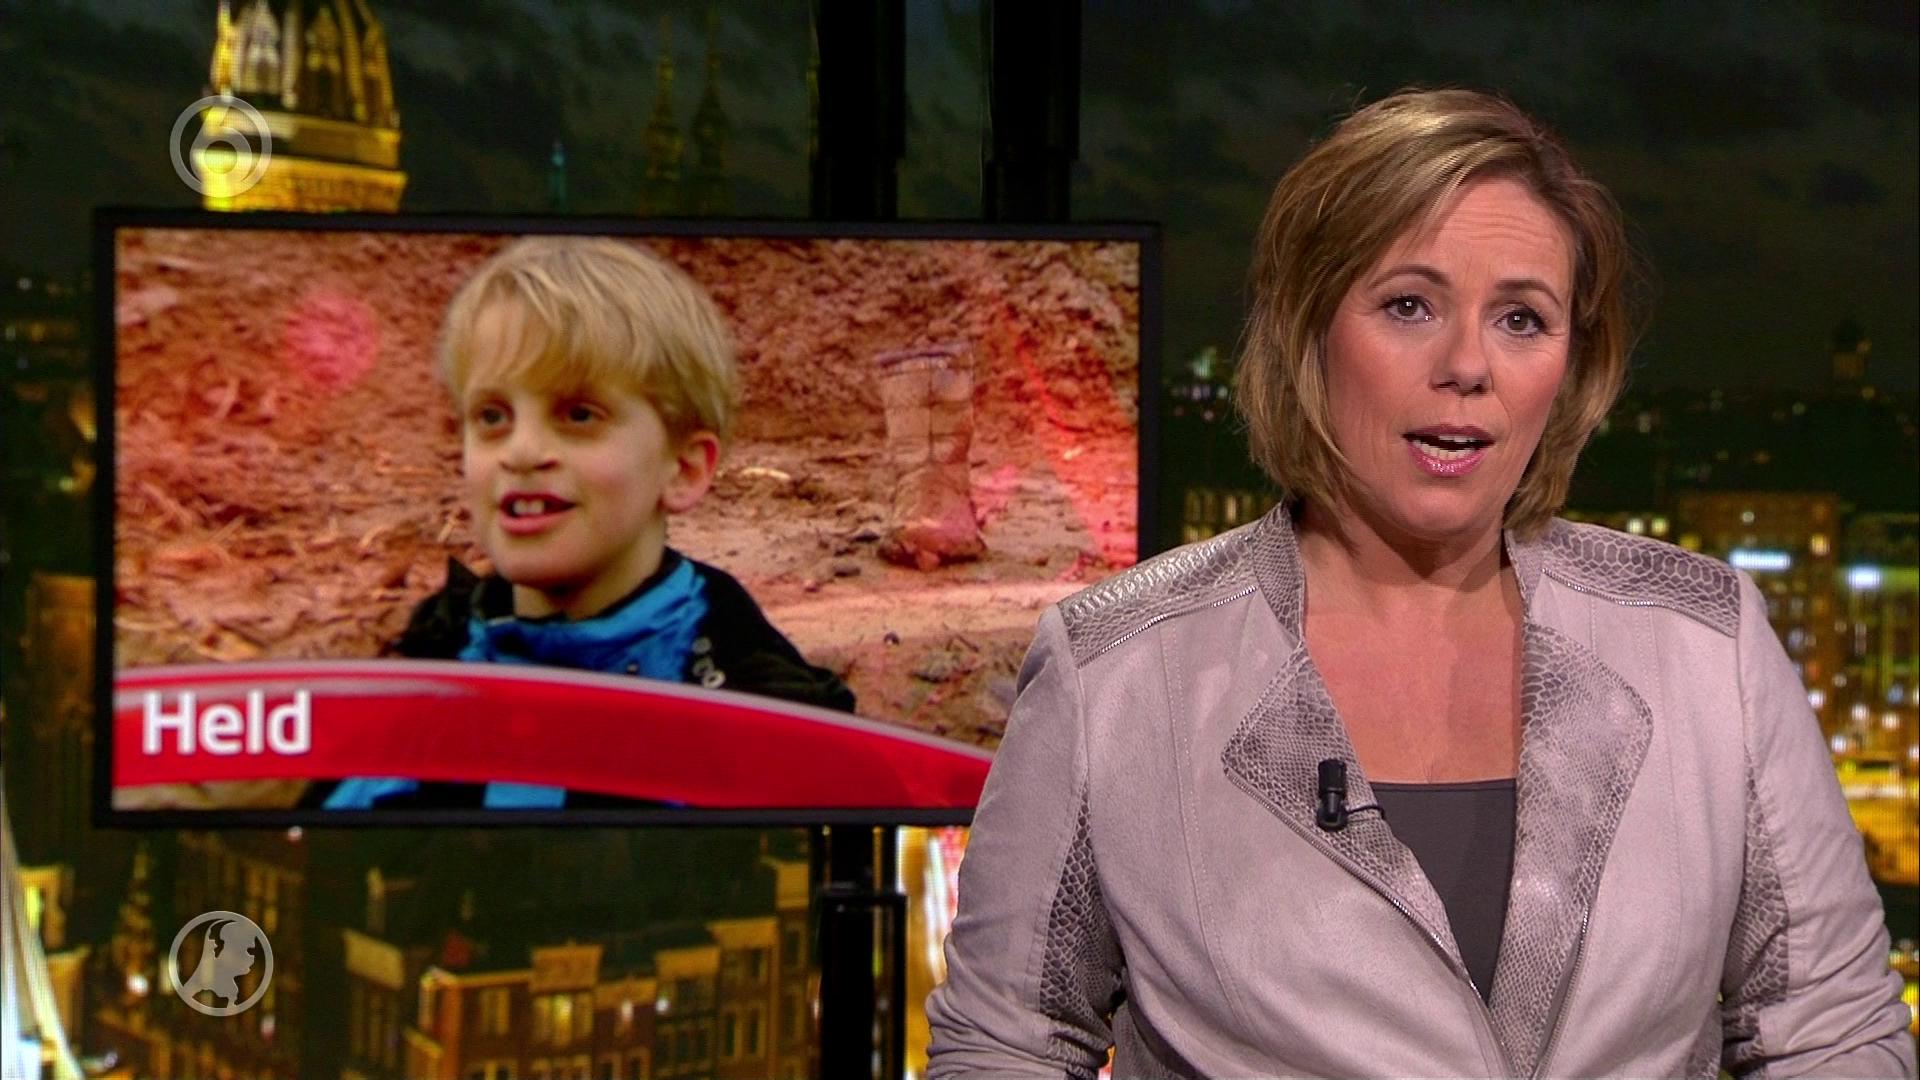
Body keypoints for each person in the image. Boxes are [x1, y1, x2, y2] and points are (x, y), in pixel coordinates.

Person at [926, 89, 1915, 1077]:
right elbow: (1004, 1049)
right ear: (1309, 329)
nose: (1467, 364)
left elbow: (1834, 1034)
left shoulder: (1707, 642)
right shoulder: (1119, 671)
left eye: (1522, 318)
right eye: (1409, 305)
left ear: (1571, 367)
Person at [314, 237, 853, 810]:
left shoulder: (770, 726)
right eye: (492, 416)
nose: (521, 451)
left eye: (578, 414)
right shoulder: (425, 667)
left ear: (684, 469)